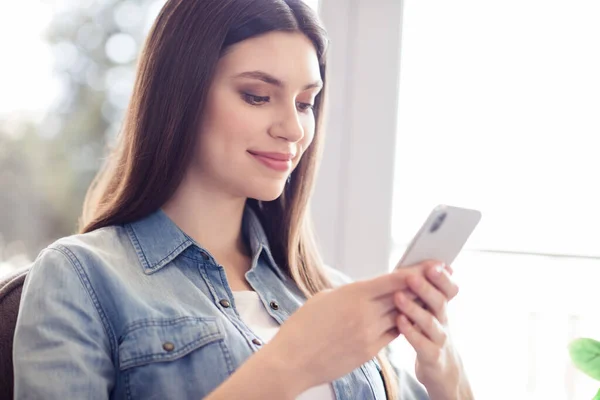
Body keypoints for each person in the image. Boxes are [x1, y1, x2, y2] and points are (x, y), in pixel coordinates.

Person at [13, 0, 474, 399]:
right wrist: (291, 363)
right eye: (257, 96)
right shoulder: (81, 277)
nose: (293, 130)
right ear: (181, 95)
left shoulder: (327, 291)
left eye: (304, 103)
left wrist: (444, 371)